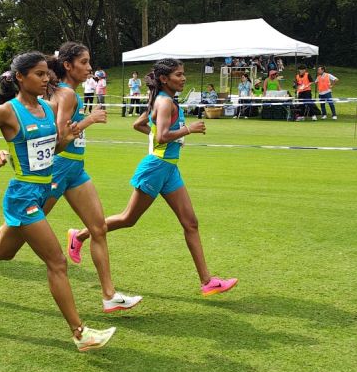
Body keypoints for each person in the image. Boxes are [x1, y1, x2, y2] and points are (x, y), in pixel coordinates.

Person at [0, 52, 116, 351]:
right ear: (21, 77)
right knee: (57, 262)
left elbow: (52, 148)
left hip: (44, 189)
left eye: (47, 75)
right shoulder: (7, 111)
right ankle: (80, 333)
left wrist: (67, 139)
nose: (47, 80)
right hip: (23, 195)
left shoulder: (46, 108)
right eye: (39, 75)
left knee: (4, 251)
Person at [72, 59, 238, 297]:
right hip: (156, 167)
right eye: (178, 75)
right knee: (128, 218)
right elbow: (161, 136)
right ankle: (79, 235)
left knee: (190, 222)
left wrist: (168, 134)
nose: (183, 78)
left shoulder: (163, 100)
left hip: (169, 169)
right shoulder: (164, 102)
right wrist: (187, 130)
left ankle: (207, 281)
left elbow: (139, 124)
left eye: (183, 74)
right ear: (164, 79)